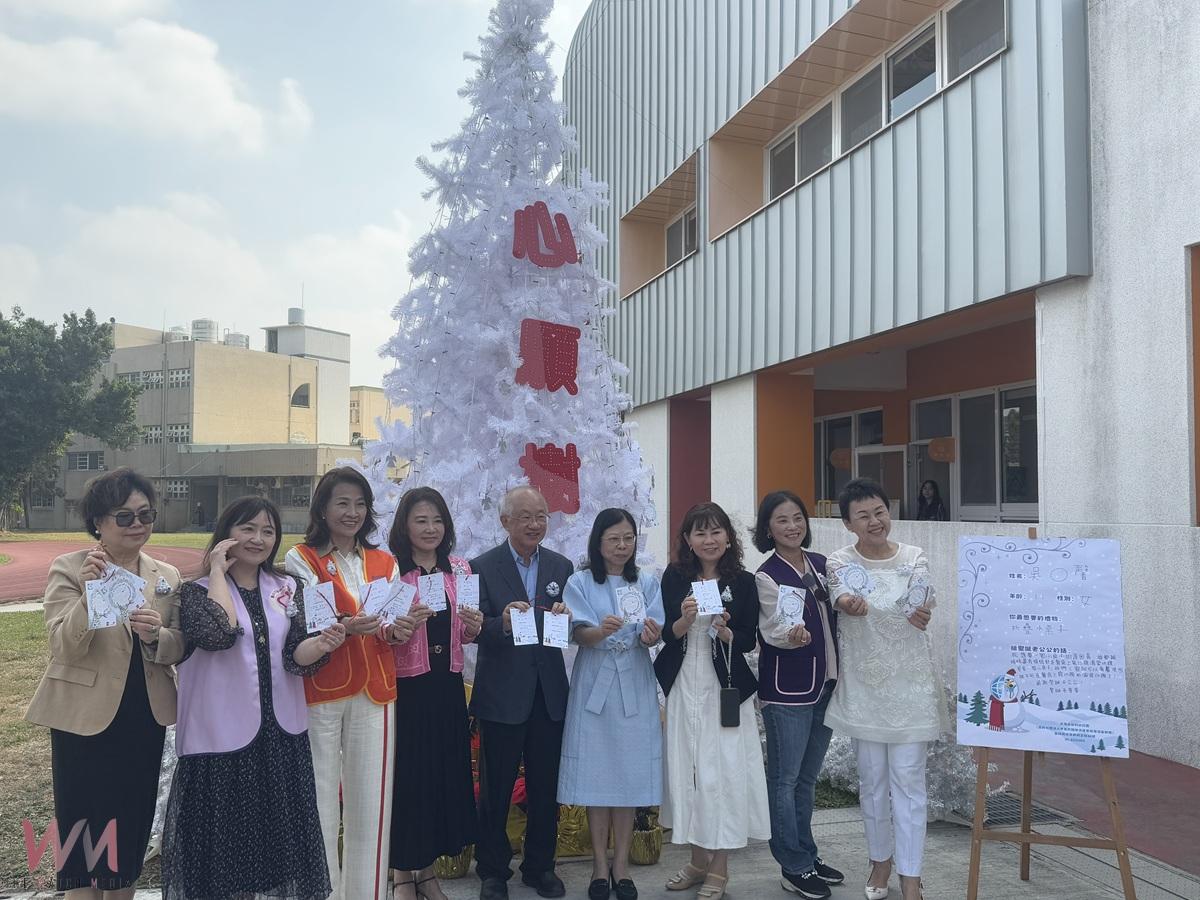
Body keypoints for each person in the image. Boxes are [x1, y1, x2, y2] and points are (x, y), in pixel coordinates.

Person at [164, 496, 345, 900]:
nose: (258, 539)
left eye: (268, 531)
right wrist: (216, 571)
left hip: (278, 737)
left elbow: (295, 657)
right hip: (221, 742)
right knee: (224, 854)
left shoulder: (289, 587)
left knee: (274, 853)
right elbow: (219, 634)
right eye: (247, 528)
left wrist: (322, 644)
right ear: (226, 534)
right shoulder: (194, 592)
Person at [25, 468, 184, 898]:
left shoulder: (167, 575)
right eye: (124, 516)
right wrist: (89, 593)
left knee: (130, 821)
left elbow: (179, 645)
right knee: (81, 827)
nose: (138, 525)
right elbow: (63, 646)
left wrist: (158, 636)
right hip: (83, 717)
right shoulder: (70, 568)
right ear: (98, 521)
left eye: (146, 515)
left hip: (144, 714)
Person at [824, 479, 947, 900]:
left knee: (909, 782)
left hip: (910, 688)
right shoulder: (840, 561)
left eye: (879, 511)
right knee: (873, 781)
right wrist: (848, 604)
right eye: (863, 515)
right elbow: (840, 595)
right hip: (864, 688)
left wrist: (922, 611)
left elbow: (924, 598)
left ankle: (911, 877)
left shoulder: (914, 556)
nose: (874, 521)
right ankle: (880, 861)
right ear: (848, 524)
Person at [285, 466, 400, 900]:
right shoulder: (302, 558)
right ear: (323, 509)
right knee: (318, 801)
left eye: (360, 504)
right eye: (342, 503)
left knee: (371, 802)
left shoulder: (384, 561)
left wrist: (399, 629)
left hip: (377, 689)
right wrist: (350, 625)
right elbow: (312, 618)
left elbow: (387, 622)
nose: (352, 512)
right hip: (323, 687)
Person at [654, 502, 768, 900]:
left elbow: (750, 639)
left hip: (725, 689)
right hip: (684, 682)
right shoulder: (674, 577)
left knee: (723, 772)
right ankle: (698, 860)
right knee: (688, 769)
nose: (709, 539)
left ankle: (719, 867)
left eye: (716, 531)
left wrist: (727, 632)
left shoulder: (744, 581)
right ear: (687, 539)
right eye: (700, 532)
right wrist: (684, 621)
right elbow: (666, 634)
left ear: (729, 538)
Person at [471, 486, 575, 900]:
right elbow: (471, 627)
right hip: (502, 694)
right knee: (495, 789)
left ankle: (540, 867)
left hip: (548, 694)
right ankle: (492, 869)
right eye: (526, 517)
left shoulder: (561, 566)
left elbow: (569, 628)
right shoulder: (481, 567)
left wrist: (566, 616)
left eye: (541, 516)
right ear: (505, 522)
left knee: (545, 787)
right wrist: (501, 624)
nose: (535, 524)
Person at [384, 487, 484, 900]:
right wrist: (400, 627)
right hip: (407, 688)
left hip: (446, 685)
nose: (430, 529)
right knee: (408, 780)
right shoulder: (390, 570)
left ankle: (426, 874)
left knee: (439, 779)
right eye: (421, 520)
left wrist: (474, 626)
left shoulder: (458, 569)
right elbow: (382, 632)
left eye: (437, 520)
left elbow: (466, 633)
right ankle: (402, 876)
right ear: (404, 526)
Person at [559, 508, 664, 900]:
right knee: (598, 774)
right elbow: (578, 635)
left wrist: (650, 636)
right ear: (598, 542)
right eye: (614, 539)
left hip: (633, 677)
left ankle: (621, 865)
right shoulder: (580, 581)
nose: (622, 546)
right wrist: (598, 631)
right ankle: (599, 867)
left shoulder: (647, 582)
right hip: (596, 680)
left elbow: (654, 633)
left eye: (628, 538)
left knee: (628, 773)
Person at [751, 490, 844, 900]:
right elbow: (772, 629)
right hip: (788, 690)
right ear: (768, 529)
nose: (792, 526)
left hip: (825, 684)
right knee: (784, 780)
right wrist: (791, 636)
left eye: (797, 518)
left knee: (806, 779)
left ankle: (807, 853)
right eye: (782, 520)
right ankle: (792, 865)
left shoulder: (822, 565)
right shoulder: (767, 575)